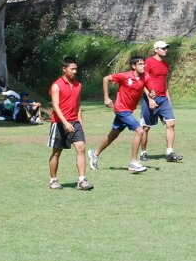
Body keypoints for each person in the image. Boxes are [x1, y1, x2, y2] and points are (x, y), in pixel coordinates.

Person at [89, 55, 156, 173]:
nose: (143, 66)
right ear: (133, 66)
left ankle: (95, 153)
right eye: (140, 64)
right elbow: (106, 79)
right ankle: (133, 163)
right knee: (140, 131)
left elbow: (150, 90)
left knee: (113, 135)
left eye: (143, 63)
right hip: (121, 109)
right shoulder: (125, 76)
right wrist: (106, 97)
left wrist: (152, 95)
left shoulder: (145, 76)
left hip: (129, 110)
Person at [47, 56, 93, 191]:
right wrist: (65, 122)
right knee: (56, 153)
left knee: (81, 148)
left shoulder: (78, 85)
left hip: (75, 122)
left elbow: (78, 104)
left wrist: (80, 121)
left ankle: (82, 180)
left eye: (76, 69)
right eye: (72, 69)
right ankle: (53, 181)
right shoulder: (56, 85)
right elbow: (55, 106)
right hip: (59, 123)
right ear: (64, 69)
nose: (74, 72)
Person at [139, 41, 183, 163]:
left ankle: (170, 153)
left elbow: (165, 82)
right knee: (145, 128)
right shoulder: (148, 62)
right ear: (156, 50)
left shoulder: (165, 64)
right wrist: (150, 99)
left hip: (163, 99)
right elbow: (143, 82)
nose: (166, 50)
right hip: (151, 99)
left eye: (166, 48)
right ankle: (143, 153)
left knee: (171, 123)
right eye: (163, 48)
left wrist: (168, 98)